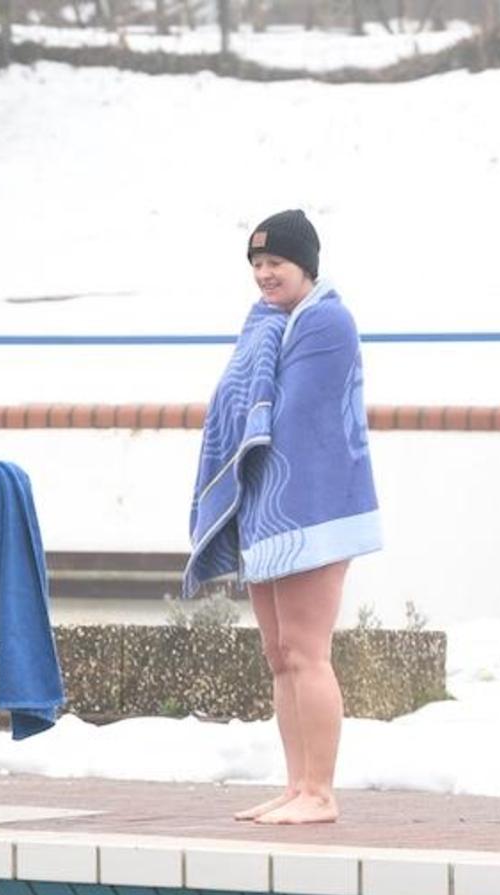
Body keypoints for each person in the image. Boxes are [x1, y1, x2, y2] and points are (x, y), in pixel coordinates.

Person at [185, 209, 382, 826]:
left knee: (306, 650)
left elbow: (294, 417)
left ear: (307, 266)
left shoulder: (326, 321)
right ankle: (297, 784)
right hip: (270, 511)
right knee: (279, 653)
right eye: (257, 264)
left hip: (313, 509)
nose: (265, 274)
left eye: (277, 263)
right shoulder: (272, 322)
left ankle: (321, 793)